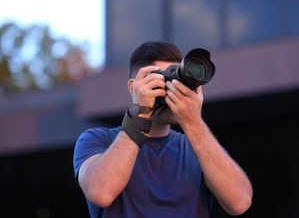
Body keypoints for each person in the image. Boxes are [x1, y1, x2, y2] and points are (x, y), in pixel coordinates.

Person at [73, 41, 253, 217]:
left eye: (179, 80)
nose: (173, 88)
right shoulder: (98, 139)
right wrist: (141, 113)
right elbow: (101, 193)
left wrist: (193, 123)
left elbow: (240, 203)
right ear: (133, 87)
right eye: (163, 79)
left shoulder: (199, 147)